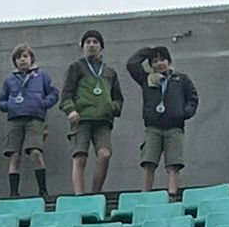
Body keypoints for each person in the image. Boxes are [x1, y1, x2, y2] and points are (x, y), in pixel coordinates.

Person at [125, 43, 200, 199]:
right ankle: (146, 193)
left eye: (162, 60)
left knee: (173, 164)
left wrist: (184, 113)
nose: (159, 64)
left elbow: (192, 97)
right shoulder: (147, 79)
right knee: (149, 162)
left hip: (174, 128)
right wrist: (148, 50)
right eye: (154, 61)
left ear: (169, 61)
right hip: (153, 128)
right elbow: (131, 64)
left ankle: (172, 193)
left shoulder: (180, 79)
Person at [59, 28, 124, 196]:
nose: (91, 45)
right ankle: (79, 195)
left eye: (95, 42)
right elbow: (66, 93)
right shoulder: (76, 67)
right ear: (83, 46)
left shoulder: (109, 72)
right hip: (81, 118)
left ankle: (95, 193)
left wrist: (111, 108)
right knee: (80, 157)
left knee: (105, 154)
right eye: (88, 42)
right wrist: (71, 110)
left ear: (101, 47)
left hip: (103, 121)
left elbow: (118, 98)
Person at [0, 45, 60, 200]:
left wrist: (43, 104)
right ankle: (14, 193)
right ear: (15, 61)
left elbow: (54, 93)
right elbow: (1, 101)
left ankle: (43, 190)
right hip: (15, 119)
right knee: (14, 155)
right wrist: (9, 105)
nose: (22, 59)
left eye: (25, 56)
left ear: (31, 58)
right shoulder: (10, 80)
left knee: (35, 152)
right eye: (18, 57)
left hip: (35, 118)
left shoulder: (41, 76)